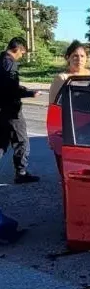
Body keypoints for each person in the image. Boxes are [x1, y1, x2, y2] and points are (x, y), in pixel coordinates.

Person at [0, 37, 41, 183]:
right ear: (18, 49)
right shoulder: (10, 64)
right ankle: (21, 173)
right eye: (22, 53)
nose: (22, 56)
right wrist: (29, 93)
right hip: (11, 110)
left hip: (1, 109)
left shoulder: (0, 59)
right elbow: (10, 89)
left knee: (2, 142)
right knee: (22, 141)